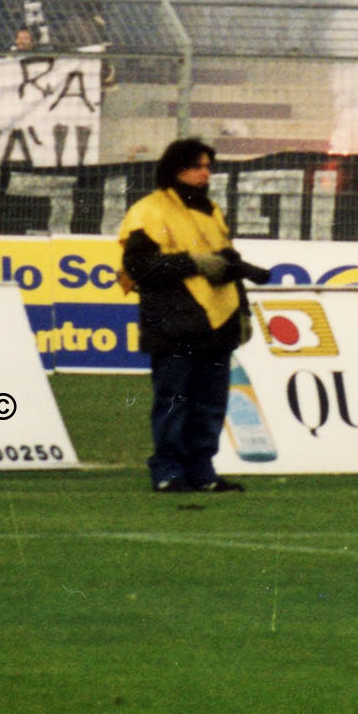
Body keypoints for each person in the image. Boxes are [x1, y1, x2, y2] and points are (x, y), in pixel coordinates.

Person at [118, 139, 272, 494]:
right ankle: (168, 470)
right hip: (174, 322)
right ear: (176, 168)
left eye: (207, 166)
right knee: (174, 400)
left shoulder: (211, 210)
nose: (206, 173)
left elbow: (227, 264)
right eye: (197, 166)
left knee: (210, 403)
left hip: (218, 322)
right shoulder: (148, 211)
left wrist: (243, 310)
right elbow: (138, 267)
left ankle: (202, 471)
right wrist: (193, 263)